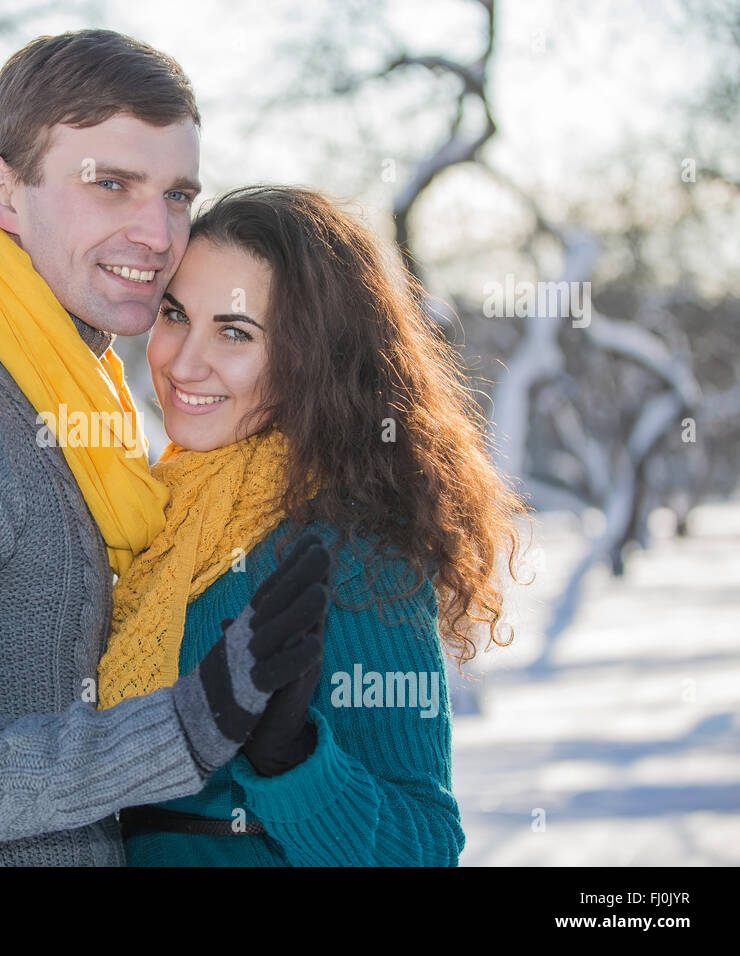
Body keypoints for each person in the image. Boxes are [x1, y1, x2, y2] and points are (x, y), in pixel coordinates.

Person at [0, 31, 329, 866]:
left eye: (177, 194)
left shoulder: (69, 390)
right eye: (111, 184)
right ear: (5, 193)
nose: (157, 234)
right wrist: (186, 725)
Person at [99, 185, 529, 865]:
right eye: (176, 315)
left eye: (235, 332)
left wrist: (291, 760)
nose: (182, 362)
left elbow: (423, 846)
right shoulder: (147, 512)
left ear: (311, 359)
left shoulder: (349, 546)